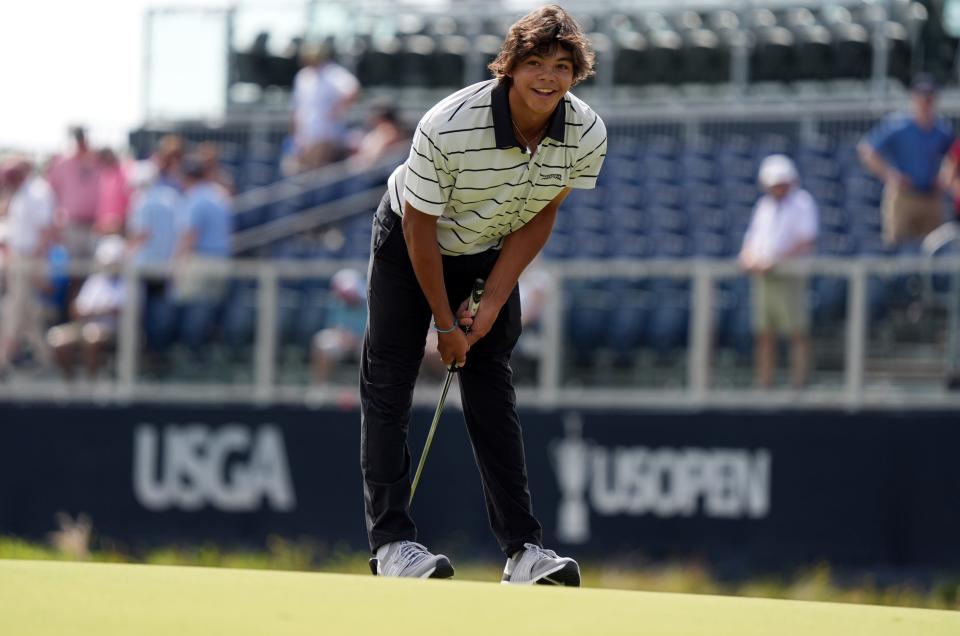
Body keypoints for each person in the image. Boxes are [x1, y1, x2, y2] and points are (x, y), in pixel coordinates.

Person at [361, 5, 606, 585]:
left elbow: (545, 212)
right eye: (536, 63)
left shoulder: (586, 131)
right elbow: (421, 230)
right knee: (389, 382)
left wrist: (491, 302)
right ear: (510, 66)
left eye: (563, 66)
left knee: (491, 383)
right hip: (410, 242)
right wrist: (445, 326)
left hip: (489, 246)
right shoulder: (448, 123)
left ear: (577, 73)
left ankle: (524, 550)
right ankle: (393, 544)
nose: (548, 77)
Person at [739, 155, 819, 389]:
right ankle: (765, 385)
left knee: (797, 333)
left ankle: (799, 384)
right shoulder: (763, 206)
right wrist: (749, 259)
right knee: (764, 334)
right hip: (765, 277)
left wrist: (774, 261)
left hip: (790, 277)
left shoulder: (803, 202)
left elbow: (805, 241)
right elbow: (751, 241)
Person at [858, 73, 954, 246]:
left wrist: (944, 176)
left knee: (933, 249)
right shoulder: (898, 125)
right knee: (897, 246)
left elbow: (952, 156)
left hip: (931, 196)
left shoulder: (942, 128)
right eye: (922, 97)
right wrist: (890, 175)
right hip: (903, 195)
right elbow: (867, 149)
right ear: (913, 98)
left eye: (930, 97)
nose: (926, 102)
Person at [127, 135, 183, 364]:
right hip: (165, 266)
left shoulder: (141, 201)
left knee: (142, 316)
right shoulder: (172, 197)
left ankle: (147, 356)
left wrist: (125, 253)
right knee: (160, 314)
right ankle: (157, 353)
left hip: (144, 267)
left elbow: (141, 234)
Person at [170, 153, 233, 354]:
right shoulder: (220, 194)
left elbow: (190, 235)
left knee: (194, 313)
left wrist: (177, 263)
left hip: (200, 261)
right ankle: (204, 356)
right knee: (210, 312)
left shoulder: (195, 198)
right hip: (222, 260)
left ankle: (192, 357)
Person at [0, 157, 57, 377]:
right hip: (18, 259)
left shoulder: (38, 192)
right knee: (28, 315)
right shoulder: (21, 193)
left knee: (14, 311)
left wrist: (35, 266)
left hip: (30, 260)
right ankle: (48, 361)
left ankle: (2, 362)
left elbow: (46, 231)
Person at [46, 234, 126, 380]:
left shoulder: (128, 281)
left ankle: (91, 383)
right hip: (85, 326)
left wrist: (93, 312)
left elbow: (120, 311)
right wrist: (95, 311)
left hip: (111, 330)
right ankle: (70, 383)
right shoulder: (95, 280)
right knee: (57, 338)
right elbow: (76, 309)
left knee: (92, 337)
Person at [287, 41, 360, 173]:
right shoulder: (302, 76)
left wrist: (336, 110)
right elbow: (297, 109)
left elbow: (353, 90)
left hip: (326, 134)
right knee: (293, 168)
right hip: (305, 136)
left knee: (317, 170)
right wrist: (296, 134)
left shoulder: (332, 73)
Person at [48, 126, 101, 260]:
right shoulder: (63, 163)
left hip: (95, 225)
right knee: (73, 267)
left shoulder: (96, 162)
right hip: (72, 224)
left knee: (92, 266)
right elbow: (52, 191)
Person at [311, 268, 367, 384]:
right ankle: (320, 388)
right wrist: (343, 337)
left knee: (373, 349)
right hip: (343, 341)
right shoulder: (339, 301)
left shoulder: (370, 302)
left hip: (364, 342)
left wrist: (356, 340)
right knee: (321, 341)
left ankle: (370, 392)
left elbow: (374, 332)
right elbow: (334, 326)